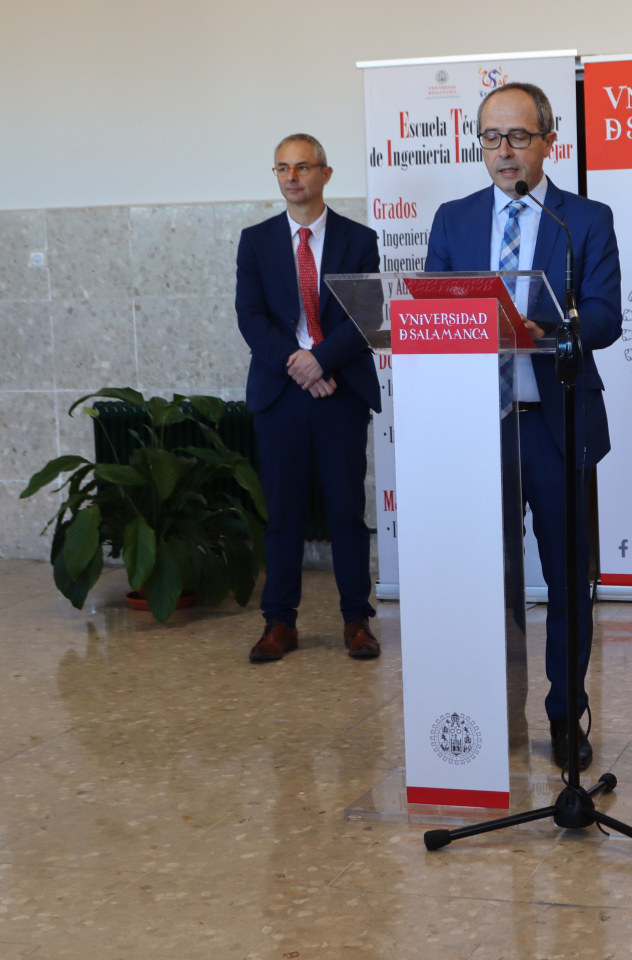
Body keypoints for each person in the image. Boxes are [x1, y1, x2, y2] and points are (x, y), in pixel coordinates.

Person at [424, 82, 621, 772]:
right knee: (484, 581)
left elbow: (605, 315)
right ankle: (484, 708)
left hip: (557, 422)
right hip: (478, 434)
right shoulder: (452, 219)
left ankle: (565, 715)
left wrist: (554, 331)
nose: (503, 153)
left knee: (568, 581)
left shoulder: (584, 220)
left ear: (548, 140)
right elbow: (432, 314)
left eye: (517, 138)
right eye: (490, 139)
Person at [235, 134, 382, 665]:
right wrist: (299, 364)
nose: (292, 177)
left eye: (302, 167)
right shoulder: (255, 241)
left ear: (325, 173)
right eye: (282, 168)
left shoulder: (358, 239)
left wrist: (321, 359)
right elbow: (251, 318)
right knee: (283, 514)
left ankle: (355, 621)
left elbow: (364, 317)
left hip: (340, 389)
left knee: (346, 510)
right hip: (281, 391)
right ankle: (279, 622)